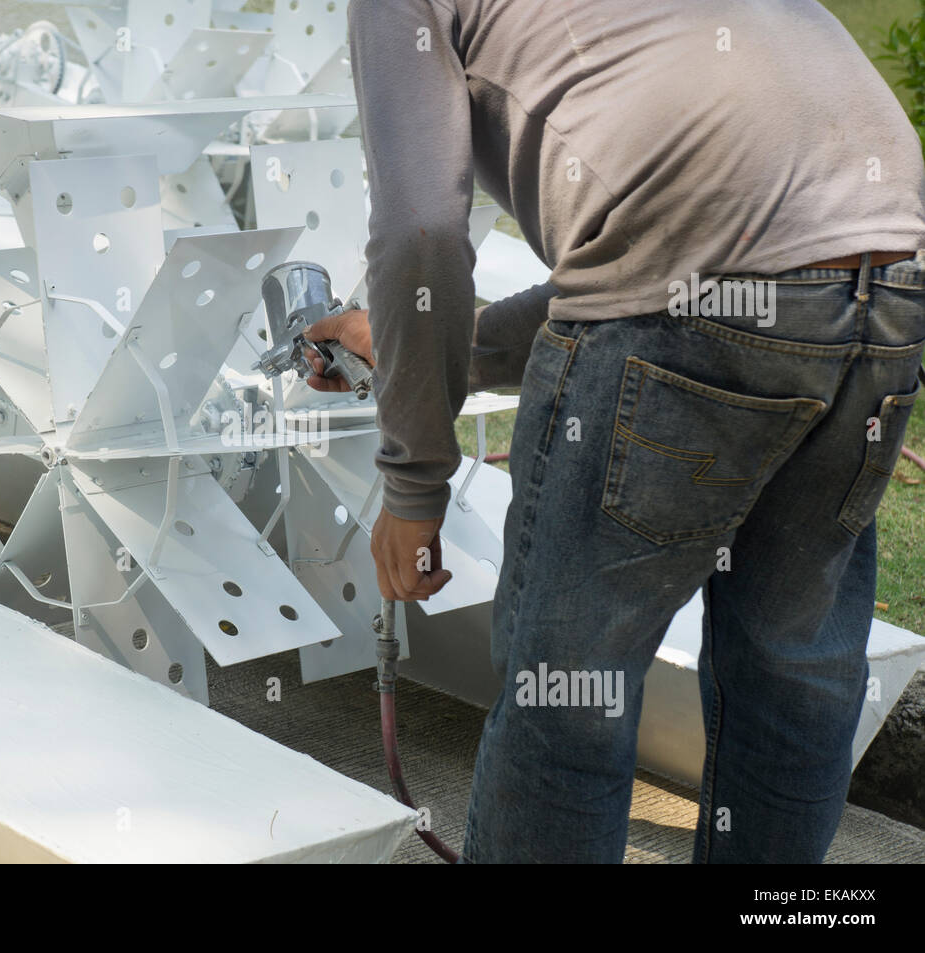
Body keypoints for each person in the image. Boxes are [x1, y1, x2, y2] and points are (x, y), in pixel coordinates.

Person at [303, 0, 925, 862]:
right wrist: (451, 343)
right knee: (792, 690)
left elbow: (421, 233)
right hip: (891, 273)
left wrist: (413, 484)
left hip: (696, 280)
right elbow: (683, 264)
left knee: (569, 701)